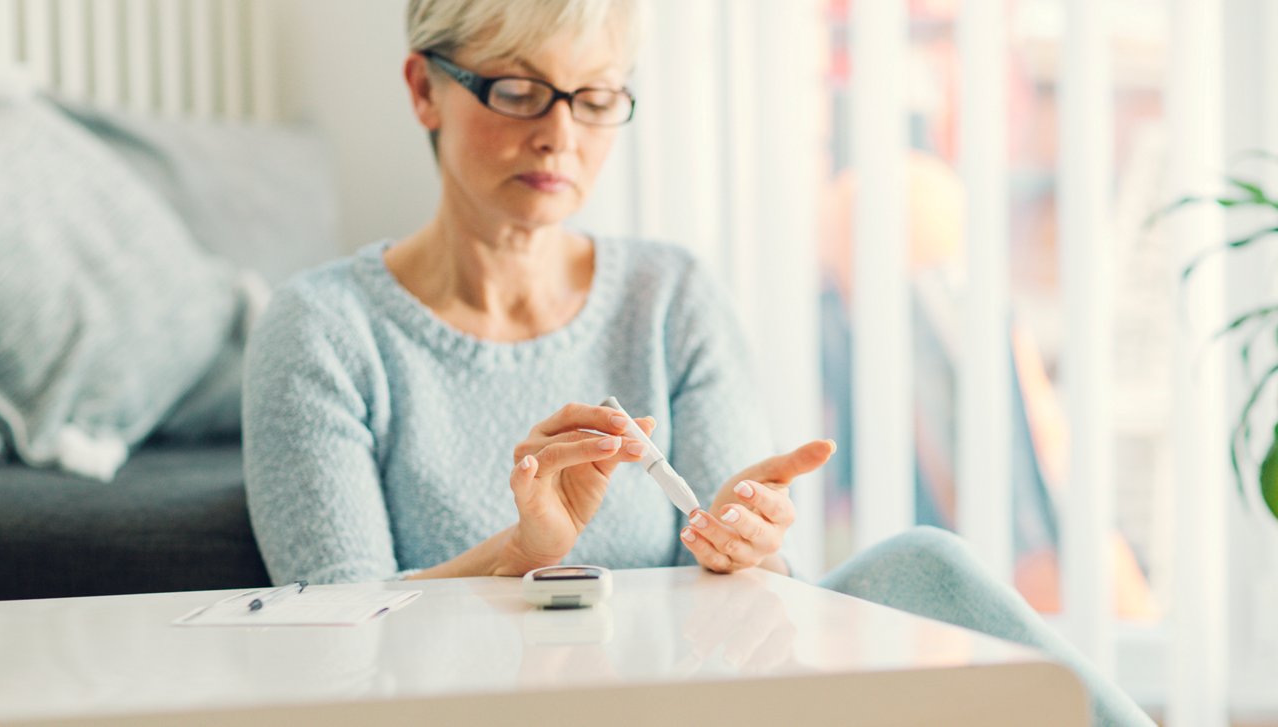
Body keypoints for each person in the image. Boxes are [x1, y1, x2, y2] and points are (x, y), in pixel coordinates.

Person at [243, 2, 1153, 725]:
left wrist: (754, 547)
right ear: (422, 89)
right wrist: (521, 554)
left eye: (595, 98)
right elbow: (334, 645)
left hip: (696, 698)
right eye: (518, 91)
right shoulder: (323, 328)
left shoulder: (669, 295)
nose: (561, 135)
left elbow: (749, 598)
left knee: (924, 565)